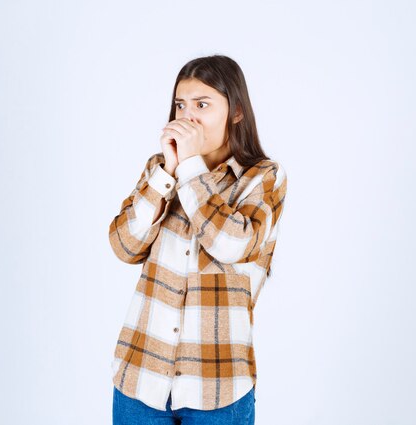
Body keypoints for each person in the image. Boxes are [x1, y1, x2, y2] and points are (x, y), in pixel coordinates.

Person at [109, 54, 287, 425]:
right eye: (180, 105)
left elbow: (231, 245)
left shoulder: (264, 178)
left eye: (202, 105)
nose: (187, 116)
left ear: (236, 112)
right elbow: (124, 246)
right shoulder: (161, 169)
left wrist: (190, 168)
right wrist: (166, 174)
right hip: (140, 379)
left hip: (219, 388)